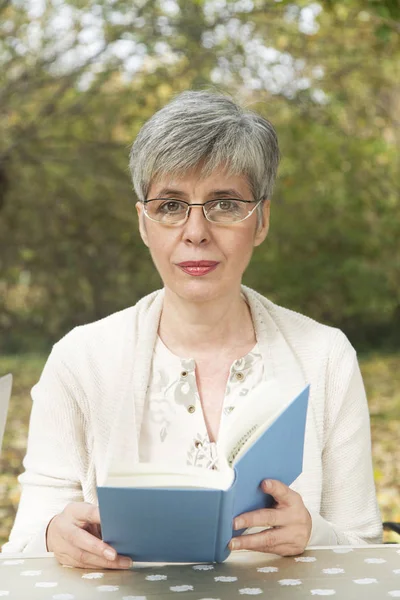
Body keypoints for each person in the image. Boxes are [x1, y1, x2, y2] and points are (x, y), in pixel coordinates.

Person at [2, 91, 382, 568]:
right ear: (144, 223)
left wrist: (315, 534)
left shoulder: (326, 356)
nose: (196, 231)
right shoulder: (80, 360)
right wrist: (54, 535)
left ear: (261, 220)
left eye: (224, 204)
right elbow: (23, 554)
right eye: (170, 205)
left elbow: (368, 554)